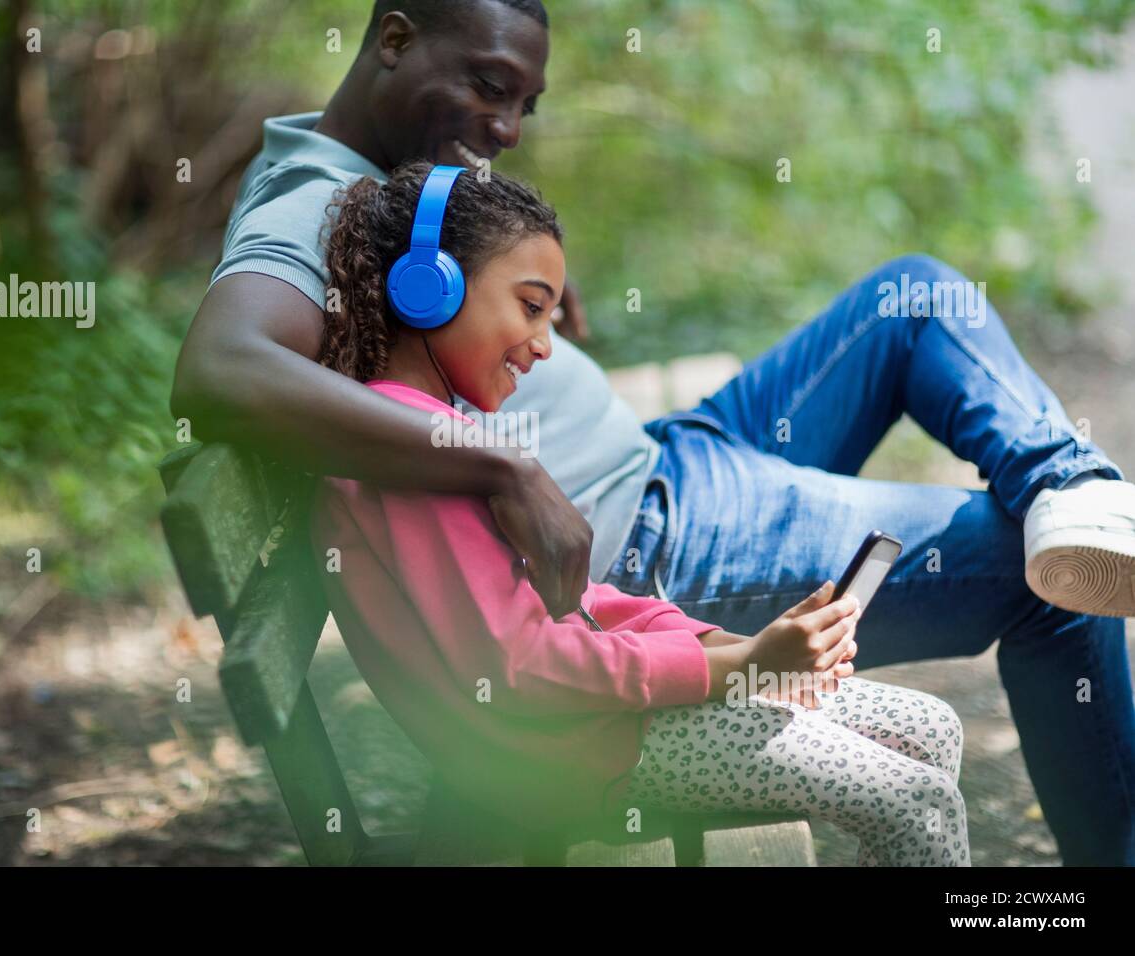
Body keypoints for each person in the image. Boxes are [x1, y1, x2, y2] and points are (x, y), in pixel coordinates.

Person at [170, 0, 1135, 864]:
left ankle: (1073, 479)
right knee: (1050, 578)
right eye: (488, 86)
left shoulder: (386, 189)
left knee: (913, 296)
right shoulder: (305, 205)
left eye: (523, 107)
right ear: (393, 39)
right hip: (642, 540)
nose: (504, 128)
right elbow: (221, 370)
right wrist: (502, 468)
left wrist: (499, 262)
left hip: (669, 466)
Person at [311, 160, 970, 865]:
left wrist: (724, 646)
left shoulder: (426, 433)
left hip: (604, 723)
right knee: (918, 802)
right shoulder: (410, 452)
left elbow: (581, 606)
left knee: (932, 729)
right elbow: (522, 666)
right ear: (429, 288)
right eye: (531, 307)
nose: (543, 344)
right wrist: (742, 666)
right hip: (573, 753)